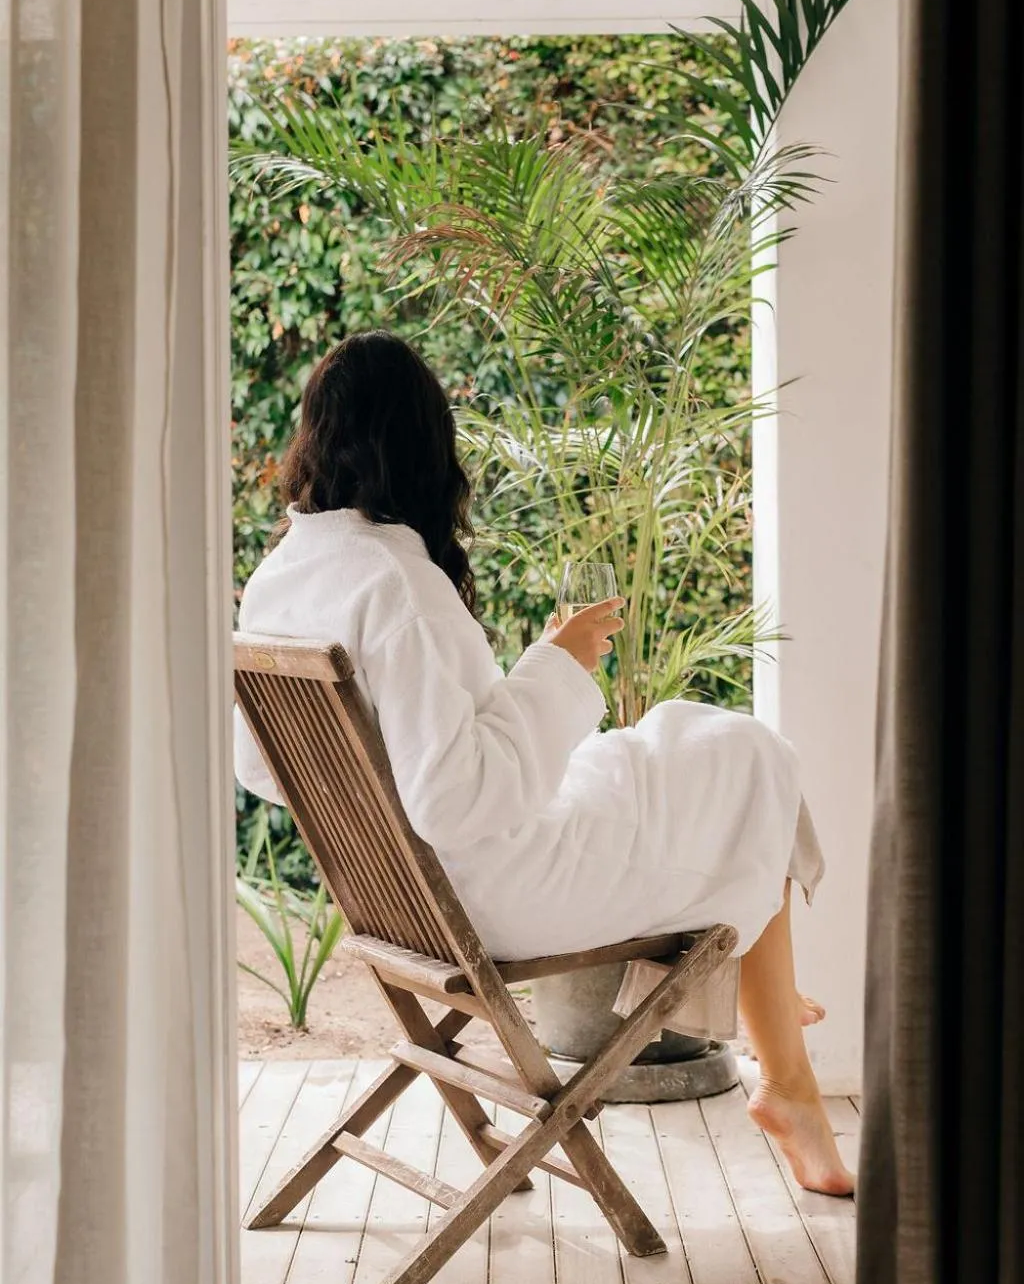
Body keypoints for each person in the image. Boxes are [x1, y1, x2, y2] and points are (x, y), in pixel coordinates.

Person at [235, 330, 855, 1198]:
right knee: (747, 754)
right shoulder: (398, 588)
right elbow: (458, 799)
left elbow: (270, 769)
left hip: (405, 896)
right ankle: (781, 1059)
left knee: (685, 741)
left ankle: (768, 1010)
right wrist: (557, 662)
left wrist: (534, 674)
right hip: (499, 893)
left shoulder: (286, 578)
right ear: (421, 445)